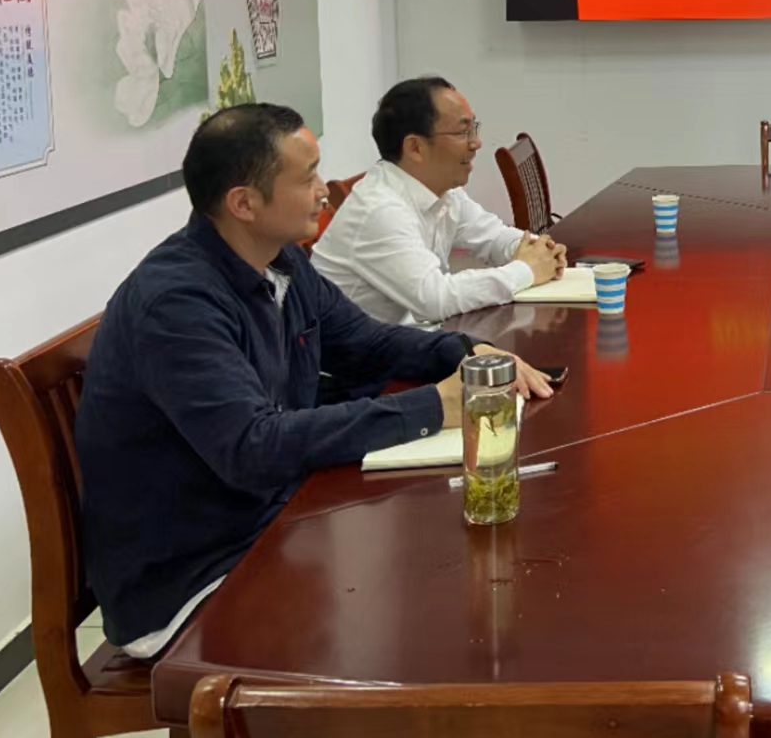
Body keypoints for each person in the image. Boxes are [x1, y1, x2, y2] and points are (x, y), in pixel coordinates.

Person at [75, 104, 538, 657]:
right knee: (426, 610)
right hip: (192, 574)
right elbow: (253, 447)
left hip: (272, 517)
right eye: (307, 177)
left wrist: (465, 353)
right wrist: (433, 407)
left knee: (450, 567)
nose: (324, 191)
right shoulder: (178, 304)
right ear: (244, 203)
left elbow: (366, 343)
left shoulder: (280, 261)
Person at [312, 76, 566, 326]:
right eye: (463, 132)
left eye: (474, 129)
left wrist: (539, 250)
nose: (476, 143)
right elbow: (435, 300)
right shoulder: (379, 209)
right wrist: (526, 269)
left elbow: (492, 236)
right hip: (358, 351)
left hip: (405, 336)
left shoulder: (443, 190)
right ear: (415, 148)